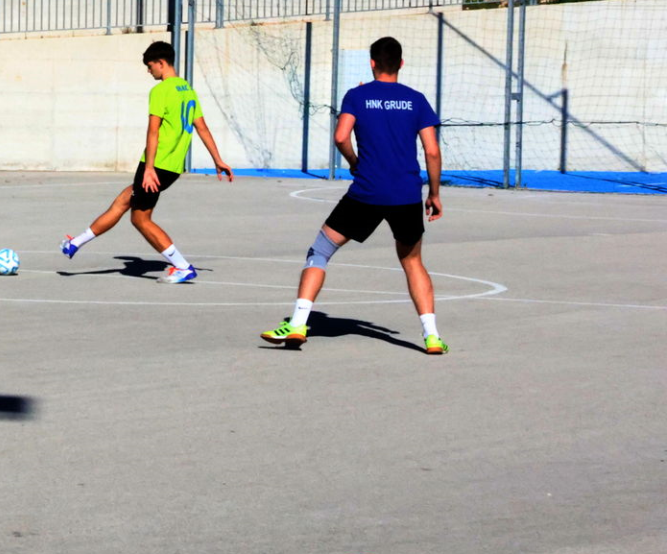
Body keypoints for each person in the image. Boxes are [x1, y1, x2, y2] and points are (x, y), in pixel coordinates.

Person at [262, 36, 446, 354]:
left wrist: (354, 162)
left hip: (367, 192)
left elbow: (340, 136)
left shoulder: (357, 95)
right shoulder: (416, 100)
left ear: (372, 63)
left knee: (320, 251)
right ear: (401, 64)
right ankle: (431, 336)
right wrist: (434, 193)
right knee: (412, 261)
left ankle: (297, 324)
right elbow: (432, 151)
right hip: (405, 195)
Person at [60, 40, 233, 281]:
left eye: (150, 66)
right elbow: (201, 127)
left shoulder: (161, 91)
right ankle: (74, 243)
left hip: (156, 164)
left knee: (140, 219)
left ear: (161, 63)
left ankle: (182, 267)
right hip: (172, 166)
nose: (149, 71)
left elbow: (153, 131)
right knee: (124, 200)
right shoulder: (187, 89)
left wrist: (149, 168)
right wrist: (218, 159)